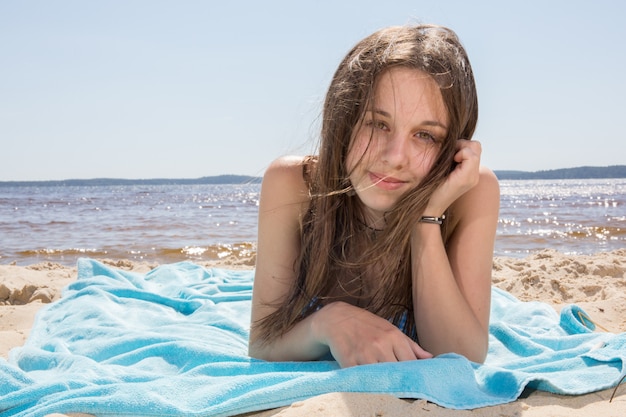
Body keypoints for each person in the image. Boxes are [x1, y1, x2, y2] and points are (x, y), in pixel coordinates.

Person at [248, 24, 500, 368]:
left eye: (425, 135)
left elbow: (462, 358)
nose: (396, 156)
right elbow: (262, 344)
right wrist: (328, 321)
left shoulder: (471, 192)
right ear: (345, 119)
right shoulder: (294, 184)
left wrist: (424, 217)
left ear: (452, 145)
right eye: (378, 124)